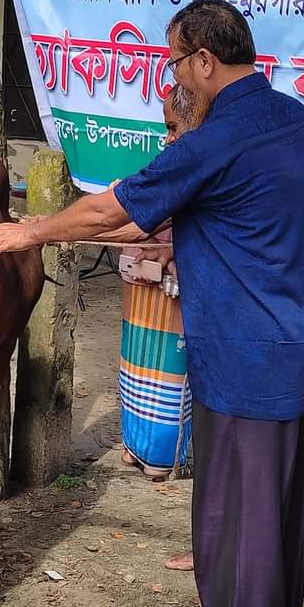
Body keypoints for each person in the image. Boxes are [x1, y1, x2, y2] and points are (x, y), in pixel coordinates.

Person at [0, 0, 304, 607]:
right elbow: (219, 218)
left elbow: (110, 211)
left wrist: (32, 231)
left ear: (204, 60)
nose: (173, 78)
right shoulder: (297, 121)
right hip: (301, 353)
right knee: (275, 516)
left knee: (236, 522)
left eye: (175, 63)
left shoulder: (217, 139)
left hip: (246, 360)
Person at [118, 87, 195, 481]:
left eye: (173, 127)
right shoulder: (172, 161)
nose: (168, 137)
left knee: (168, 372)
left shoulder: (202, 161)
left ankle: (161, 457)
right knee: (137, 364)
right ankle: (136, 446)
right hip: (145, 277)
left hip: (177, 280)